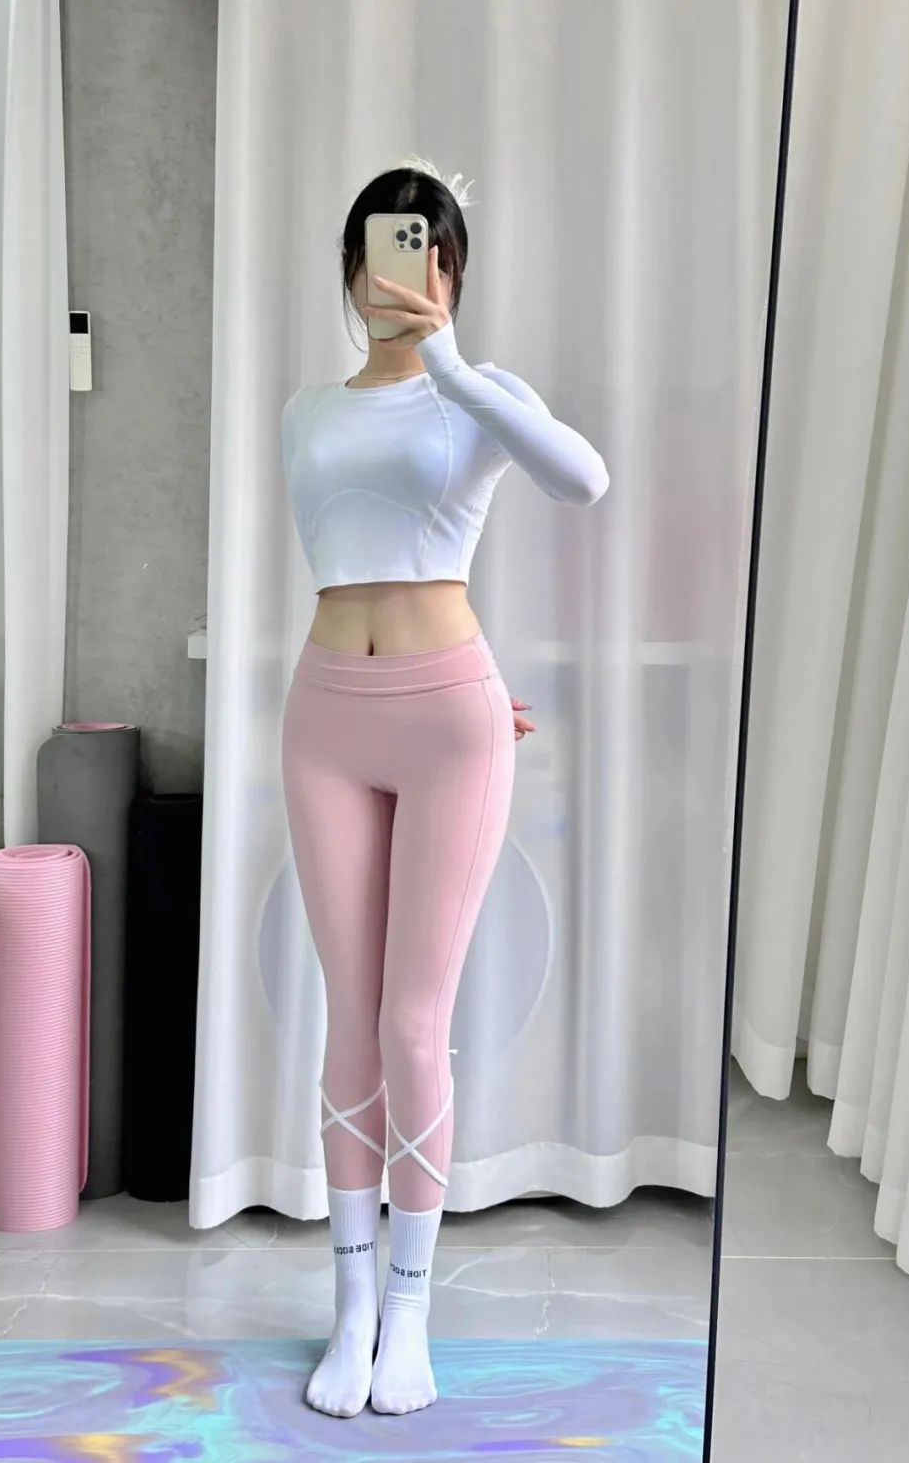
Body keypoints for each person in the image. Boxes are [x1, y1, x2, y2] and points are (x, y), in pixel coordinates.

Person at [279, 157, 609, 1419]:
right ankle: (353, 1305)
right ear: (351, 265)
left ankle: (412, 1309)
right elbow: (357, 543)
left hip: (451, 726)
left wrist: (456, 366)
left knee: (417, 1023)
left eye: (422, 248)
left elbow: (582, 481)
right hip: (326, 717)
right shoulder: (307, 411)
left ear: (451, 268)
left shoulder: (483, 394)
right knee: (349, 1019)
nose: (397, 273)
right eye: (378, 247)